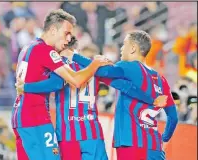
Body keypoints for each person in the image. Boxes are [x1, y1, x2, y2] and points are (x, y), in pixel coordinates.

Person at [15, 36, 167, 160]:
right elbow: (126, 87)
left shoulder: (60, 68)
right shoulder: (94, 69)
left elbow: (54, 84)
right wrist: (151, 100)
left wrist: (26, 87)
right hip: (92, 133)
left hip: (68, 136)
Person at [12, 9, 111, 160]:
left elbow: (56, 82)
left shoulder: (28, 47)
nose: (68, 39)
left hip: (19, 117)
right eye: (66, 33)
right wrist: (94, 64)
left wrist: (26, 87)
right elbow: (76, 80)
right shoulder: (46, 51)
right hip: (35, 118)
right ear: (53, 30)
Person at [72, 30, 178, 160]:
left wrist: (73, 55)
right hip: (155, 147)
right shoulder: (162, 80)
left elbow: (102, 71)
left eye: (124, 44)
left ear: (133, 48)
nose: (121, 48)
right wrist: (165, 139)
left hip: (131, 144)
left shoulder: (128, 66)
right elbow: (173, 117)